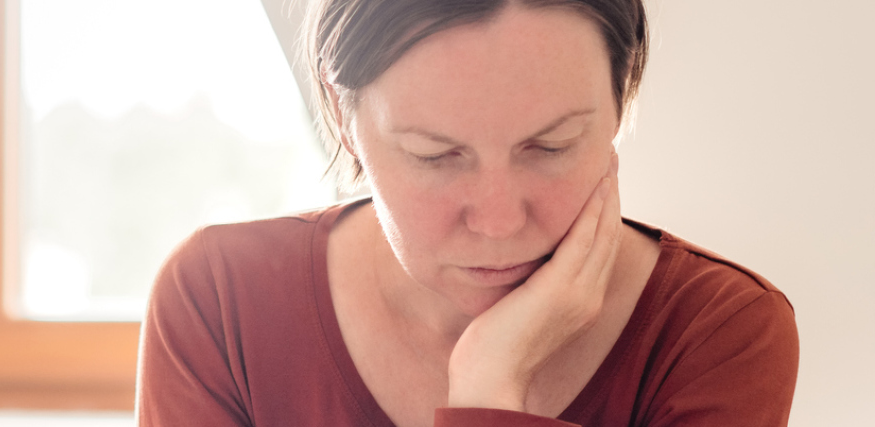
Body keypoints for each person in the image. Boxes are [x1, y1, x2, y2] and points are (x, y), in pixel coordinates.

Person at [135, 0, 799, 425]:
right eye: (436, 155)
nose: (499, 220)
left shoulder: (715, 333)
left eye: (550, 146)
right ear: (343, 120)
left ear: (622, 99)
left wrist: (489, 385)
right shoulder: (219, 305)